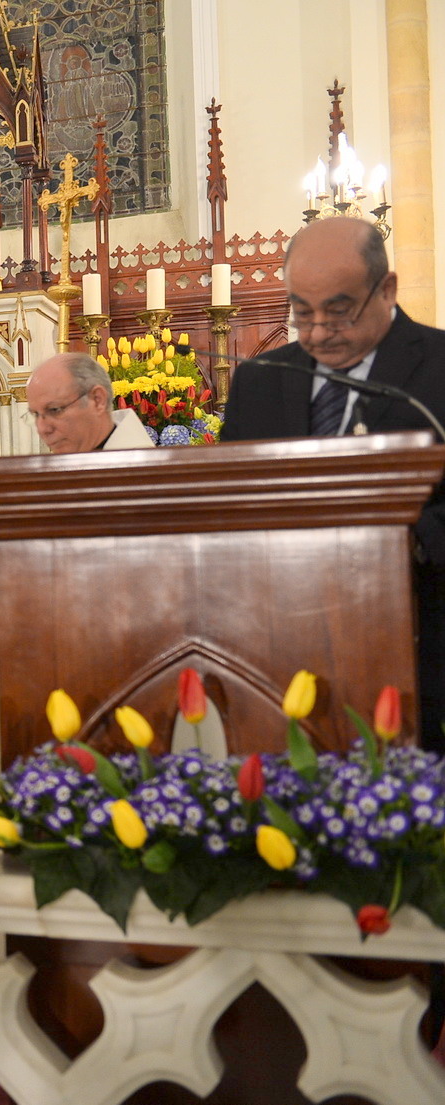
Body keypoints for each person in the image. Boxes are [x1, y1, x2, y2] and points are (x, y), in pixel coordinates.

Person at [222, 216, 445, 752]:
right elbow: (228, 505)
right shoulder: (260, 381)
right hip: (282, 651)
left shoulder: (439, 368)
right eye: (302, 312)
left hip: (423, 648)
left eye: (339, 312)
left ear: (386, 290)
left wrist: (402, 539)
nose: (318, 331)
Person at [25, 352, 155, 453]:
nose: (42, 429)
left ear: (98, 400)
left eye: (54, 410)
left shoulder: (144, 473)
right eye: (36, 414)